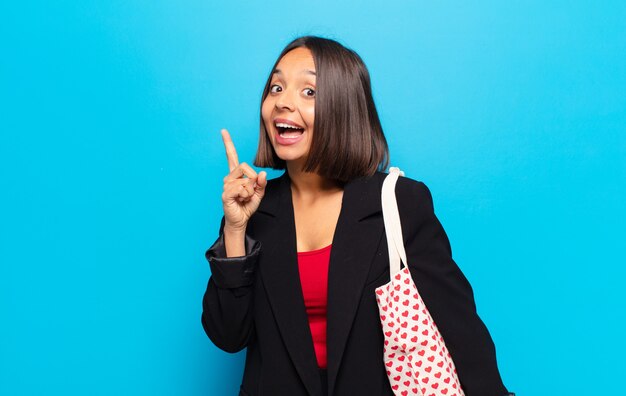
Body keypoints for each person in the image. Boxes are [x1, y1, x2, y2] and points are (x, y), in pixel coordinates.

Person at [201, 36, 512, 396]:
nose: (283, 102)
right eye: (276, 87)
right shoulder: (252, 210)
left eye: (309, 92)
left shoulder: (397, 203)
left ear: (343, 106)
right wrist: (236, 231)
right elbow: (228, 336)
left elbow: (461, 331)